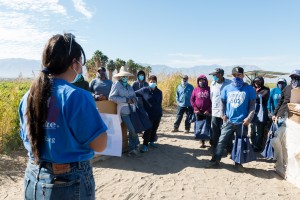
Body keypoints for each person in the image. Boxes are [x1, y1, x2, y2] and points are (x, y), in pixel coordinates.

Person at [18, 33, 108, 199]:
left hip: (33, 178)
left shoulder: (27, 97)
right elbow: (100, 144)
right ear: (74, 63)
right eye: (81, 62)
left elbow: (26, 137)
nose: (81, 67)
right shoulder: (78, 96)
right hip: (68, 182)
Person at [207, 66, 256, 172]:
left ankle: (238, 163)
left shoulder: (249, 89)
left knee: (240, 143)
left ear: (243, 76)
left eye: (239, 75)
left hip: (243, 122)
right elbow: (222, 103)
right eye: (234, 75)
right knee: (221, 141)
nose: (237, 77)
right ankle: (215, 160)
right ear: (232, 76)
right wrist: (222, 114)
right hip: (229, 121)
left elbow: (252, 105)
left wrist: (249, 118)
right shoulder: (226, 88)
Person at [109, 66, 140, 156]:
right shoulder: (116, 85)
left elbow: (133, 95)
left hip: (132, 110)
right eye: (123, 76)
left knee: (132, 130)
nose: (125, 78)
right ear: (120, 77)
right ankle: (137, 143)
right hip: (123, 110)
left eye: (126, 76)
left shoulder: (129, 86)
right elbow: (111, 97)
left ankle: (132, 149)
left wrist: (134, 99)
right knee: (132, 129)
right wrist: (126, 100)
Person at [135, 75, 163, 152]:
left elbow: (160, 103)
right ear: (148, 82)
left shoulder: (159, 92)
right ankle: (145, 145)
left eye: (154, 81)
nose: (152, 83)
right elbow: (134, 93)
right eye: (151, 81)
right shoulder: (144, 90)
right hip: (148, 114)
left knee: (154, 128)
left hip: (157, 113)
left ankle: (152, 141)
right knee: (148, 129)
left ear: (156, 82)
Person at [209, 68, 232, 154]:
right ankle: (215, 148)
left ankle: (229, 149)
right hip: (215, 111)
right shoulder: (212, 84)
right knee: (215, 131)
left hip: (227, 112)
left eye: (215, 75)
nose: (213, 76)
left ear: (221, 74)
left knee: (227, 132)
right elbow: (212, 97)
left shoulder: (230, 83)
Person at [190, 74, 212, 148]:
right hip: (198, 112)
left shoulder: (209, 89)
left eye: (203, 80)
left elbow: (214, 101)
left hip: (208, 112)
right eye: (200, 80)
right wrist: (195, 109)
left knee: (209, 126)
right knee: (200, 127)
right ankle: (201, 142)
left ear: (206, 81)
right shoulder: (195, 89)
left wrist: (209, 110)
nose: (201, 82)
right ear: (198, 81)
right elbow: (192, 100)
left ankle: (211, 142)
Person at [250, 76, 270, 152]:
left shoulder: (266, 89)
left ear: (262, 82)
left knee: (259, 129)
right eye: (255, 82)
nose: (256, 83)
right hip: (252, 110)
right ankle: (253, 143)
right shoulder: (252, 89)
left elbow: (261, 97)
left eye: (258, 82)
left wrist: (253, 95)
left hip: (261, 111)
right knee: (252, 128)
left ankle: (257, 145)